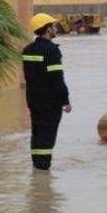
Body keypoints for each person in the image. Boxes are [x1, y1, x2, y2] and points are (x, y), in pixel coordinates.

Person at [22, 13, 72, 171]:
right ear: (47, 29)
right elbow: (57, 78)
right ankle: (44, 167)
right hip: (50, 102)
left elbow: (30, 76)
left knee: (36, 133)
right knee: (47, 134)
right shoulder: (51, 51)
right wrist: (65, 100)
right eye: (53, 26)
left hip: (33, 100)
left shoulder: (28, 50)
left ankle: (37, 165)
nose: (55, 28)